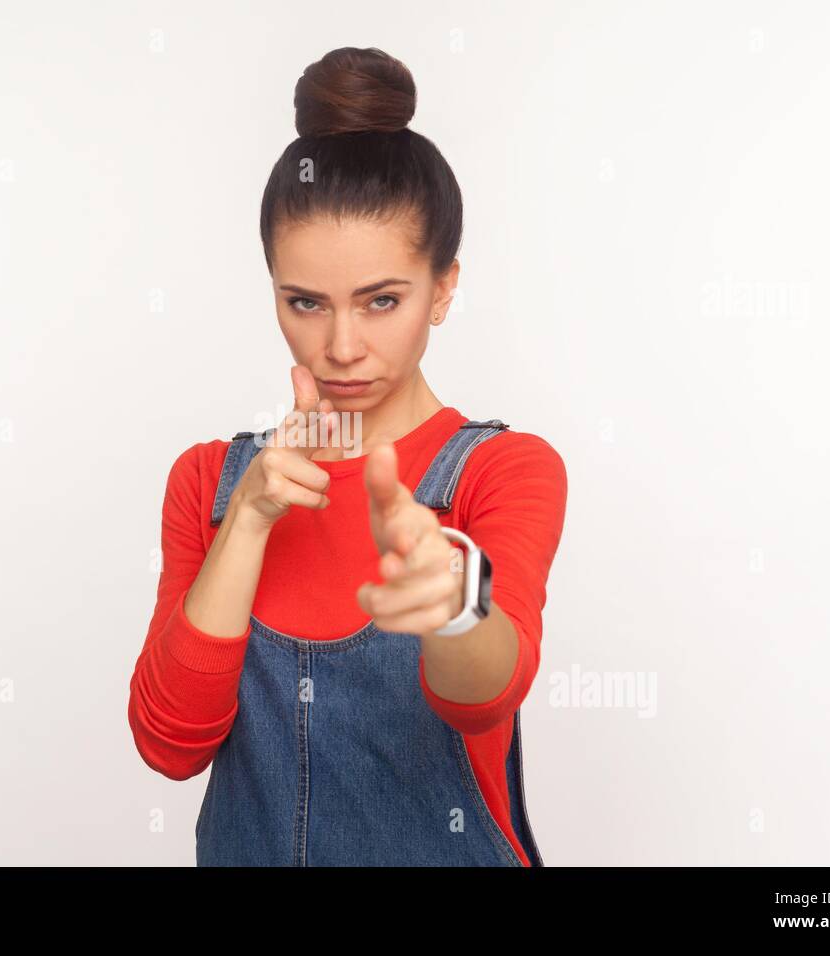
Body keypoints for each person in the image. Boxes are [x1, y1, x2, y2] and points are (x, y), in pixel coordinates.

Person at [128, 46, 567, 866]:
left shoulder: (501, 472)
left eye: (382, 301)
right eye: (304, 303)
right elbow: (170, 745)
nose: (341, 347)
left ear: (443, 288)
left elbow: (484, 698)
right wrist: (250, 522)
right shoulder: (207, 484)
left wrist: (449, 602)